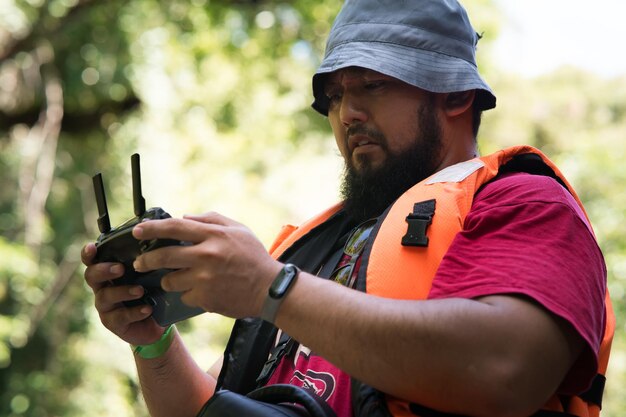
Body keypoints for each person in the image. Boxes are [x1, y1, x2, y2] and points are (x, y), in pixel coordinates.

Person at [82, 1, 613, 416]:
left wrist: (271, 289)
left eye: (373, 85)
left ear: (454, 94)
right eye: (333, 97)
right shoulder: (312, 250)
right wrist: (152, 344)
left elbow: (508, 369)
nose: (347, 114)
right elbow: (208, 410)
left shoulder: (523, 201)